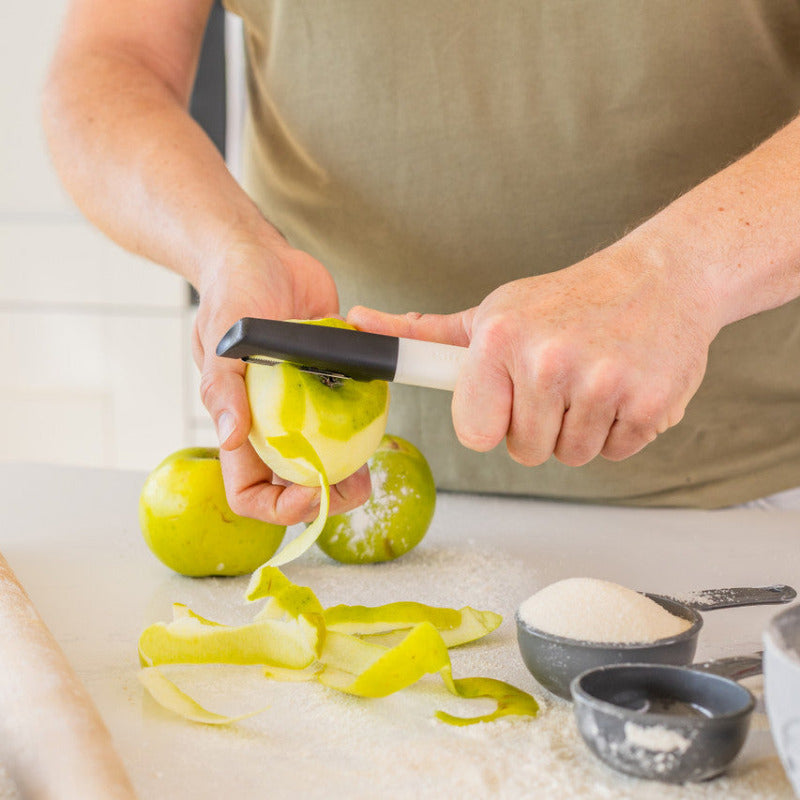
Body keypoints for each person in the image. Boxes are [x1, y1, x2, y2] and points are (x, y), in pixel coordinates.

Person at [42, 1, 800, 524]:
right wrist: (225, 247)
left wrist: (677, 275)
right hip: (346, 497)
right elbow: (109, 66)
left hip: (754, 491)